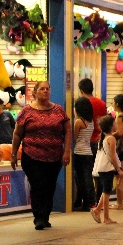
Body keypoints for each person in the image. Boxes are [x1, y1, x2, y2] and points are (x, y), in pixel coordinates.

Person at [11, 81, 72, 230]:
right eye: (42, 89)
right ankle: (38, 217)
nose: (45, 91)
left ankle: (45, 216)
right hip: (31, 155)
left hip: (54, 156)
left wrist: (66, 151)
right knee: (38, 185)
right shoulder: (26, 111)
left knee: (50, 186)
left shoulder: (59, 110)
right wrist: (13, 154)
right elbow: (18, 134)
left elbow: (68, 131)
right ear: (35, 92)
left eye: (47, 89)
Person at [90, 116, 123, 224]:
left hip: (102, 167)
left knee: (106, 190)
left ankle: (97, 210)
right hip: (108, 167)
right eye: (114, 123)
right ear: (110, 126)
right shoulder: (111, 139)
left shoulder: (105, 138)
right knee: (107, 192)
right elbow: (113, 156)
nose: (116, 124)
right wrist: (119, 170)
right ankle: (106, 217)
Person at [71, 96, 95, 212]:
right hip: (88, 151)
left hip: (79, 152)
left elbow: (74, 138)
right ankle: (89, 202)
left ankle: (84, 202)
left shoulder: (78, 122)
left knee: (80, 179)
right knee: (87, 178)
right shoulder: (91, 121)